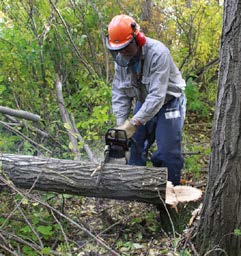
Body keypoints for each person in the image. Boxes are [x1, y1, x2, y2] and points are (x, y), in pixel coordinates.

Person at [105, 14, 186, 186]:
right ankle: (136, 188)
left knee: (167, 152)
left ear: (138, 39)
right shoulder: (121, 60)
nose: (122, 52)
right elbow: (120, 92)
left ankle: (169, 196)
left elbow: (157, 96)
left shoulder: (158, 53)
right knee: (134, 144)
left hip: (169, 101)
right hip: (144, 101)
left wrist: (134, 123)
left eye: (126, 47)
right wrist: (121, 126)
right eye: (118, 49)